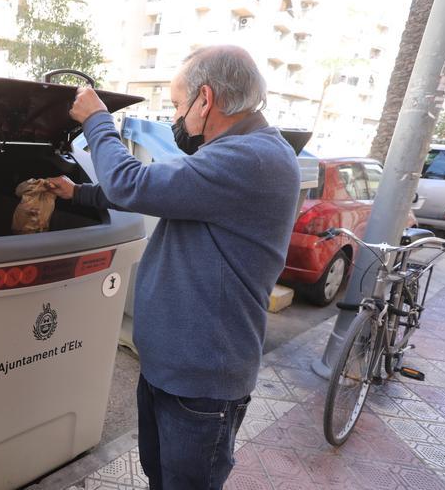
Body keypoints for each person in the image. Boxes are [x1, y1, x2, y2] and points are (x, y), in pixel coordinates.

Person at [49, 45, 300, 489]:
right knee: (161, 478)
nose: (176, 117)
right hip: (173, 367)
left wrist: (96, 119)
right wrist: (79, 195)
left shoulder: (252, 158)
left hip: (202, 381)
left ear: (207, 99)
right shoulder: (235, 153)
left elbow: (131, 183)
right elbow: (168, 192)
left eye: (179, 104)